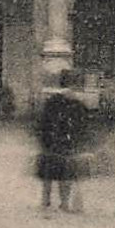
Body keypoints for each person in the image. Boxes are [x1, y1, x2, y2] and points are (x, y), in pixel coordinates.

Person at [36, 72, 90, 213]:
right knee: (64, 174)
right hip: (63, 143)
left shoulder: (52, 102)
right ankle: (61, 202)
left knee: (52, 173)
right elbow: (82, 126)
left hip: (54, 142)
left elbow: (42, 124)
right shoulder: (75, 104)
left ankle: (47, 201)